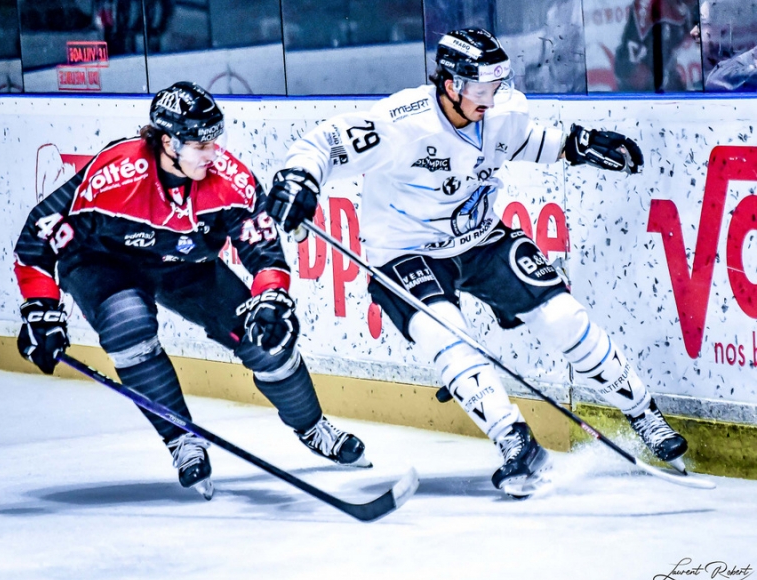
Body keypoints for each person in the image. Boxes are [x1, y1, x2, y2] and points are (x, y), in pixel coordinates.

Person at [266, 29, 688, 497]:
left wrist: (578, 144)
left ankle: (645, 416)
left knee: (564, 317)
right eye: (483, 88)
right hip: (406, 251)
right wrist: (298, 179)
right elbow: (322, 144)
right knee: (447, 338)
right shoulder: (402, 122)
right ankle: (515, 441)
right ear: (452, 85)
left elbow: (529, 141)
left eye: (497, 84)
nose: (493, 96)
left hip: (482, 238)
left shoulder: (499, 109)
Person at [13, 81, 370, 500]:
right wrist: (41, 307)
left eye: (215, 141)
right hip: (102, 262)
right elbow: (38, 234)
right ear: (169, 142)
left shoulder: (229, 180)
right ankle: (181, 439)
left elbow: (263, 250)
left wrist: (272, 295)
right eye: (201, 145)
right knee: (128, 325)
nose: (212, 153)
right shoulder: (115, 176)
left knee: (267, 339)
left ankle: (312, 426)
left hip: (184, 263)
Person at [613, 0, 698, 92]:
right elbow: (625, 62)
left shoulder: (690, 10)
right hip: (643, 90)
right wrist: (635, 72)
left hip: (668, 79)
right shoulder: (649, 6)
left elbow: (696, 32)